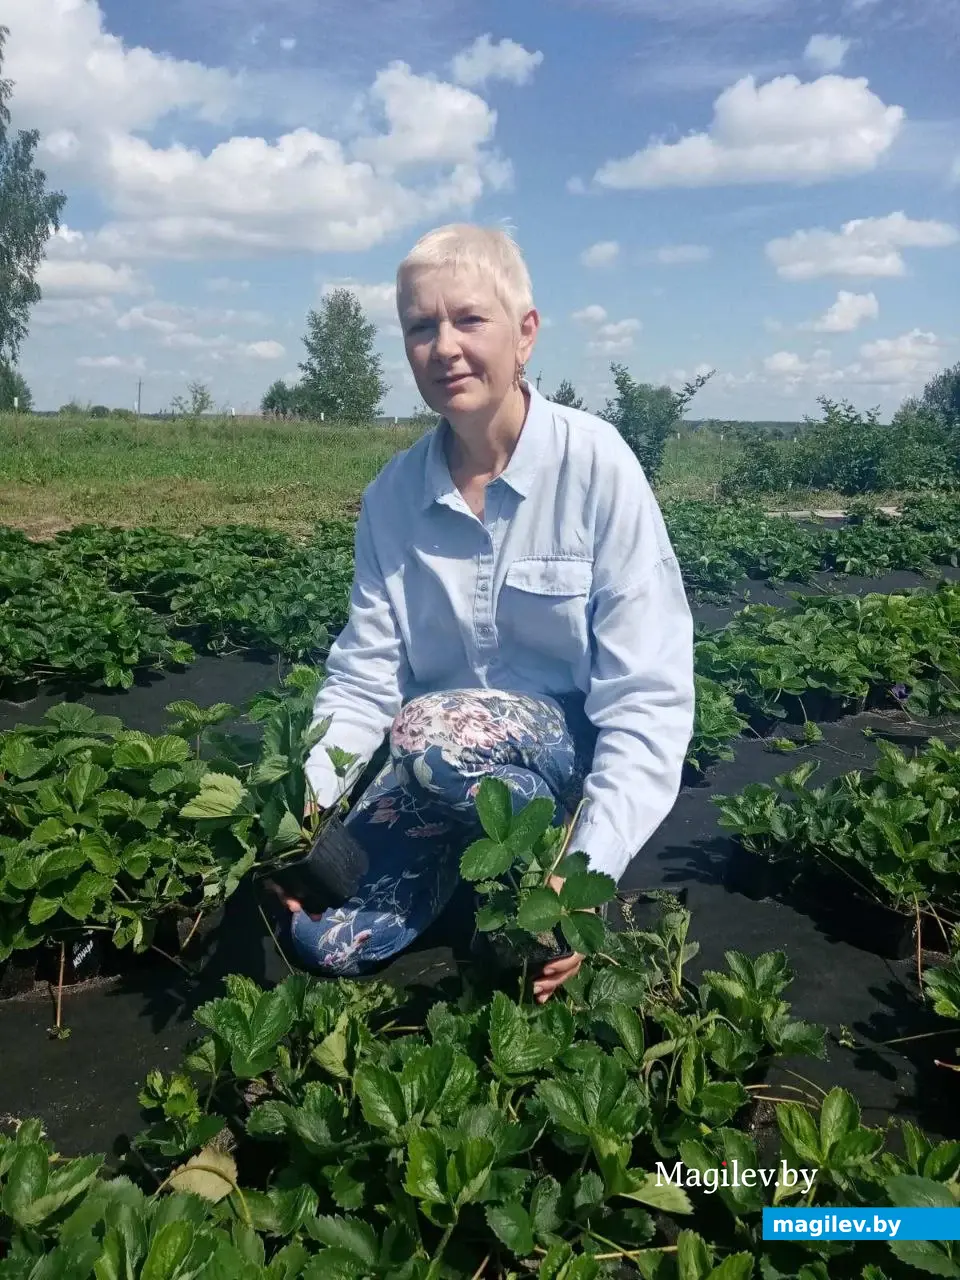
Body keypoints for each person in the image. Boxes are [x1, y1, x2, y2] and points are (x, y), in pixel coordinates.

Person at [270, 223, 695, 1003]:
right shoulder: (392, 498)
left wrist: (584, 872)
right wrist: (305, 810)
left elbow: (649, 697)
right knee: (322, 938)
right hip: (439, 771)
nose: (445, 347)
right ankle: (470, 868)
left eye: (469, 320)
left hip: (555, 759)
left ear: (525, 333)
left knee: (430, 733)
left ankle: (536, 857)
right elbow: (366, 677)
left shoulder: (596, 467)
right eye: (421, 327)